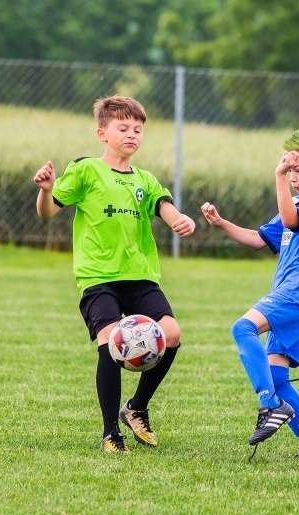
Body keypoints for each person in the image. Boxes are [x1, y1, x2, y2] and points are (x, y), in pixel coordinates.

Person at [33, 95, 196, 453]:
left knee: (171, 334)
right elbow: (47, 213)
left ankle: (136, 409)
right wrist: (46, 192)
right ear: (102, 133)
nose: (132, 134)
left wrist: (179, 220)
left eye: (138, 129)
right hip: (98, 277)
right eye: (123, 128)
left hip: (140, 275)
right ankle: (111, 433)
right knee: (110, 341)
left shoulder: (145, 179)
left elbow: (165, 207)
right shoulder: (85, 170)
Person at [201, 125, 299, 458]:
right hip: (295, 298)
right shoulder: (295, 202)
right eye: (289, 170)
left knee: (242, 327)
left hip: (297, 295)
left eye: (297, 169)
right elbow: (257, 239)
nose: (291, 176)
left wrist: (277, 176)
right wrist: (222, 224)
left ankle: (269, 406)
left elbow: (292, 221)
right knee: (277, 374)